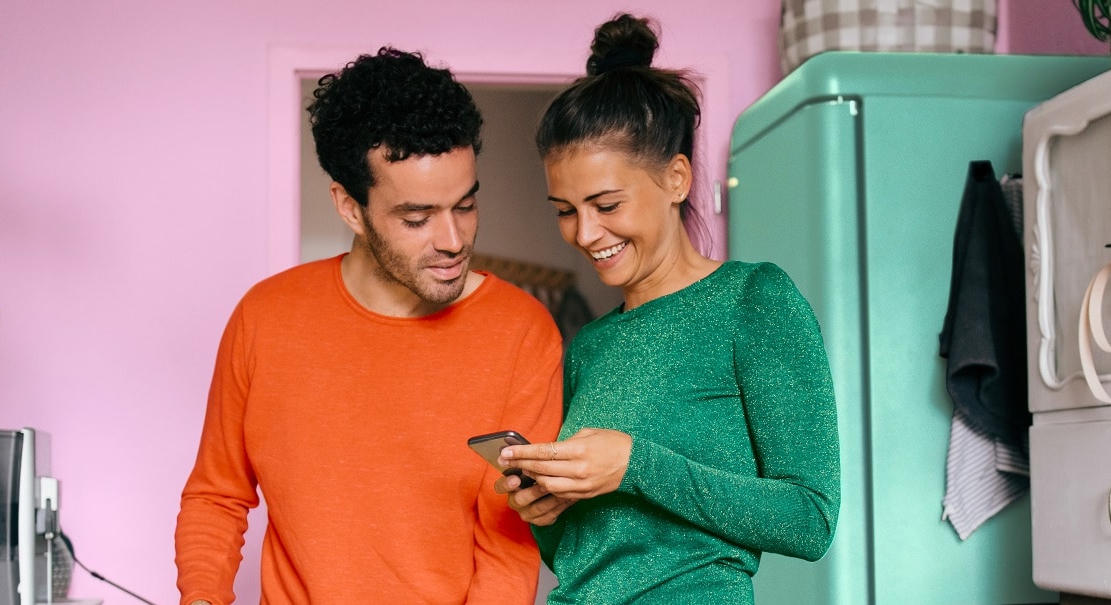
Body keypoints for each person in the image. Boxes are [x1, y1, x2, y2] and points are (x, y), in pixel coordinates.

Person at [174, 47, 563, 605]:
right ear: (350, 207)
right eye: (417, 218)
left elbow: (506, 545)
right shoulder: (265, 317)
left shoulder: (521, 332)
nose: (453, 240)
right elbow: (217, 495)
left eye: (466, 205)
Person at [495, 14, 841, 604]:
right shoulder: (590, 346)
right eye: (564, 209)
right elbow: (588, 552)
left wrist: (636, 466)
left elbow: (809, 518)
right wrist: (546, 512)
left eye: (606, 204)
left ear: (676, 178)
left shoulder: (752, 301)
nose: (583, 233)